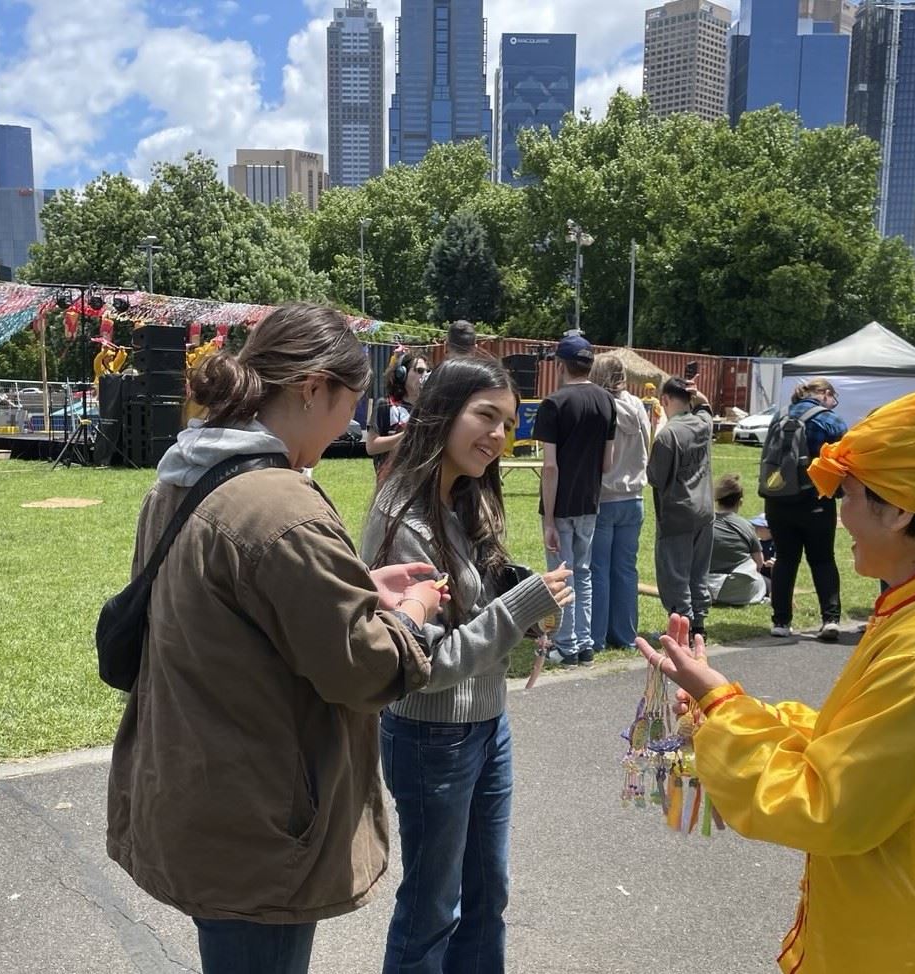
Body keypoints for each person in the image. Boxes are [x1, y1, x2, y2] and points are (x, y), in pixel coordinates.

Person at [638, 388, 915, 974]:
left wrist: (723, 709)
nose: (838, 513)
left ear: (900, 509)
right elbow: (858, 738)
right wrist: (728, 701)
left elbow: (825, 804)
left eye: (847, 494)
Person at [106, 303, 446, 974]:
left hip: (199, 790)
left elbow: (224, 607)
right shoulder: (283, 506)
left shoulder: (184, 473)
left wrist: (353, 587)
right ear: (314, 387)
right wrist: (410, 615)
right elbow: (365, 669)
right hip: (261, 817)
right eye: (351, 400)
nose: (352, 419)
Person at [360, 356, 573, 974]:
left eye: (508, 424)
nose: (498, 437)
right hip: (432, 734)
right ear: (442, 413)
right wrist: (522, 607)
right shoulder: (404, 515)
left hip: (487, 723)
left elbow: (474, 602)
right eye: (485, 416)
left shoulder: (468, 495)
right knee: (432, 910)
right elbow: (428, 660)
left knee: (489, 895)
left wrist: (519, 592)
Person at [535, 333, 616, 666]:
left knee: (561, 575)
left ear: (560, 364)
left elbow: (550, 467)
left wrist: (549, 519)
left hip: (562, 503)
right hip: (590, 500)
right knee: (583, 572)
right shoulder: (607, 401)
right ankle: (584, 643)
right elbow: (607, 463)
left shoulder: (553, 404)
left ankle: (566, 645)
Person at [764, 378, 847, 641]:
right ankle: (830, 619)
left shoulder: (780, 417)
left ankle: (781, 621)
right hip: (817, 500)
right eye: (831, 395)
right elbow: (845, 458)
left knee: (786, 560)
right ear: (823, 393)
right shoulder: (830, 421)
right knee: (822, 559)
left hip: (778, 500)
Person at [588, 353, 651, 651]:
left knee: (598, 569)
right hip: (634, 496)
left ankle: (597, 636)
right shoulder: (638, 405)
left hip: (605, 496)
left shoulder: (600, 406)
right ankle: (625, 635)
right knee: (626, 569)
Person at [648, 377, 715, 639]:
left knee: (675, 576)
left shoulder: (668, 435)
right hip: (705, 510)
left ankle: (681, 629)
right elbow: (706, 407)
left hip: (677, 513)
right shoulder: (703, 424)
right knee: (699, 572)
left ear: (664, 400)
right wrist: (697, 394)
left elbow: (655, 477)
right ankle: (698, 626)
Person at [709, 473, 770, 606]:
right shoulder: (746, 526)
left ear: (717, 500)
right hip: (740, 591)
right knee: (767, 583)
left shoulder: (704, 524)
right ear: (740, 502)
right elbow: (759, 563)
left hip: (704, 588)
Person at [366, 349, 429, 474]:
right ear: (402, 374)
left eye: (427, 371)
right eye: (419, 371)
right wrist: (407, 435)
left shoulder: (429, 409)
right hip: (391, 480)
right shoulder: (386, 405)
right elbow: (371, 447)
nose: (424, 375)